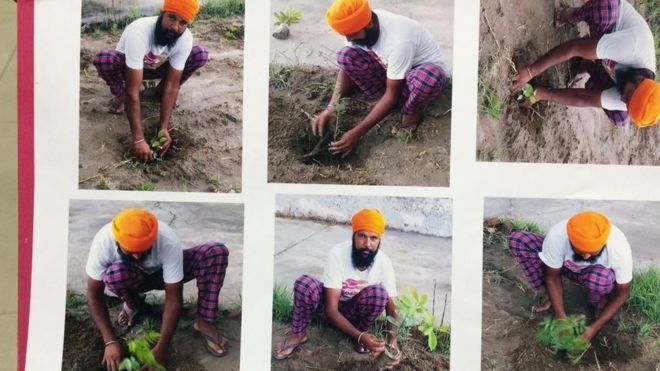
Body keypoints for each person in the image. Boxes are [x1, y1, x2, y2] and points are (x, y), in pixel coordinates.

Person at [85, 208, 230, 371]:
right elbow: (94, 295)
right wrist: (110, 341)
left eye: (144, 250)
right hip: (130, 277)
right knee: (115, 274)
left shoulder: (166, 239)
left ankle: (204, 321)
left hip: (163, 275)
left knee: (216, 252)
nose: (137, 257)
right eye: (130, 251)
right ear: (118, 242)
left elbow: (174, 298)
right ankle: (133, 304)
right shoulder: (103, 242)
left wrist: (161, 348)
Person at [311, 0, 450, 157]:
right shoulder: (355, 26)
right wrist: (331, 107)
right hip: (393, 72)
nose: (349, 39)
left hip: (419, 74)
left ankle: (411, 114)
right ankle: (382, 101)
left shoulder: (399, 39)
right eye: (346, 35)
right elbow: (345, 68)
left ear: (369, 23)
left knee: (428, 79)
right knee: (346, 55)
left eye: (352, 34)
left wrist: (357, 133)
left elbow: (393, 94)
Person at [273, 209, 402, 368]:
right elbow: (331, 309)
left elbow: (393, 310)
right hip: (327, 310)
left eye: (373, 238)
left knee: (379, 295)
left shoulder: (384, 263)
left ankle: (359, 335)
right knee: (305, 284)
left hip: (353, 315)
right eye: (362, 236)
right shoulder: (337, 254)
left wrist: (393, 341)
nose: (367, 244)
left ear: (379, 240)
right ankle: (299, 333)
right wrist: (361, 336)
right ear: (353, 234)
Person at [511, 0, 659, 128]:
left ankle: (588, 63)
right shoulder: (635, 47)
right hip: (608, 26)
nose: (622, 99)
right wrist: (530, 71)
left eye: (627, 103)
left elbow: (584, 98)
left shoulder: (631, 97)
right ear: (640, 80)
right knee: (605, 7)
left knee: (620, 118)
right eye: (627, 95)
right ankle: (569, 15)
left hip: (607, 58)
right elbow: (575, 47)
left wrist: (541, 94)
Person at [93, 0, 209, 162]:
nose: (175, 27)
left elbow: (172, 85)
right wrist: (139, 139)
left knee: (200, 54)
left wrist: (163, 128)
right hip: (128, 67)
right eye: (172, 18)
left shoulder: (185, 38)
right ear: (162, 13)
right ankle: (120, 96)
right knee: (104, 59)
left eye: (183, 22)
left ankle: (158, 93)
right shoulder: (139, 31)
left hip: (157, 67)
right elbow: (133, 90)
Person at [508, 211, 633, 342]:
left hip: (592, 274)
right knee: (518, 240)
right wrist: (561, 319)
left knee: (601, 278)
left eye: (593, 252)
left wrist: (594, 328)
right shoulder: (558, 235)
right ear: (570, 239)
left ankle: (598, 301)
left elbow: (623, 292)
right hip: (563, 266)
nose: (586, 257)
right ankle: (549, 294)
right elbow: (552, 277)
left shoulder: (619, 248)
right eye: (580, 249)